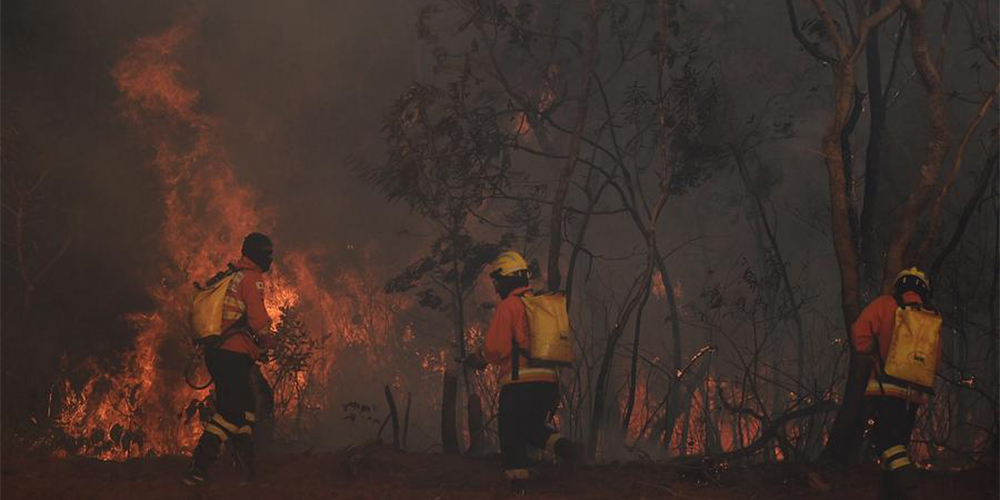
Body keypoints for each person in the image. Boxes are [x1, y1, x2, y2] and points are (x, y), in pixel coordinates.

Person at [466, 250, 582, 488]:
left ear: (508, 279)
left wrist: (479, 358)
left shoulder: (509, 306)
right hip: (549, 384)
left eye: (498, 281)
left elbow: (496, 348)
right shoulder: (541, 306)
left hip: (520, 385)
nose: (496, 287)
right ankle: (568, 449)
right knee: (531, 429)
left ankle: (518, 485)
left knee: (511, 434)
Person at [184, 232, 276, 486]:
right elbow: (258, 320)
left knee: (246, 409)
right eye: (268, 254)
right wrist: (267, 343)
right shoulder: (251, 278)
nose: (270, 258)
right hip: (231, 355)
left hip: (219, 353)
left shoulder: (232, 275)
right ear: (257, 254)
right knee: (231, 414)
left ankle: (246, 471)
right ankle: (198, 467)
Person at [851, 267, 933, 500]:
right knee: (898, 443)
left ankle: (910, 486)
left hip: (886, 386)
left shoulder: (885, 304)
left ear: (899, 285)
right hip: (915, 392)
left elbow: (859, 334)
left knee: (885, 442)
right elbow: (934, 358)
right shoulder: (930, 316)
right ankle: (890, 494)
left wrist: (872, 349)